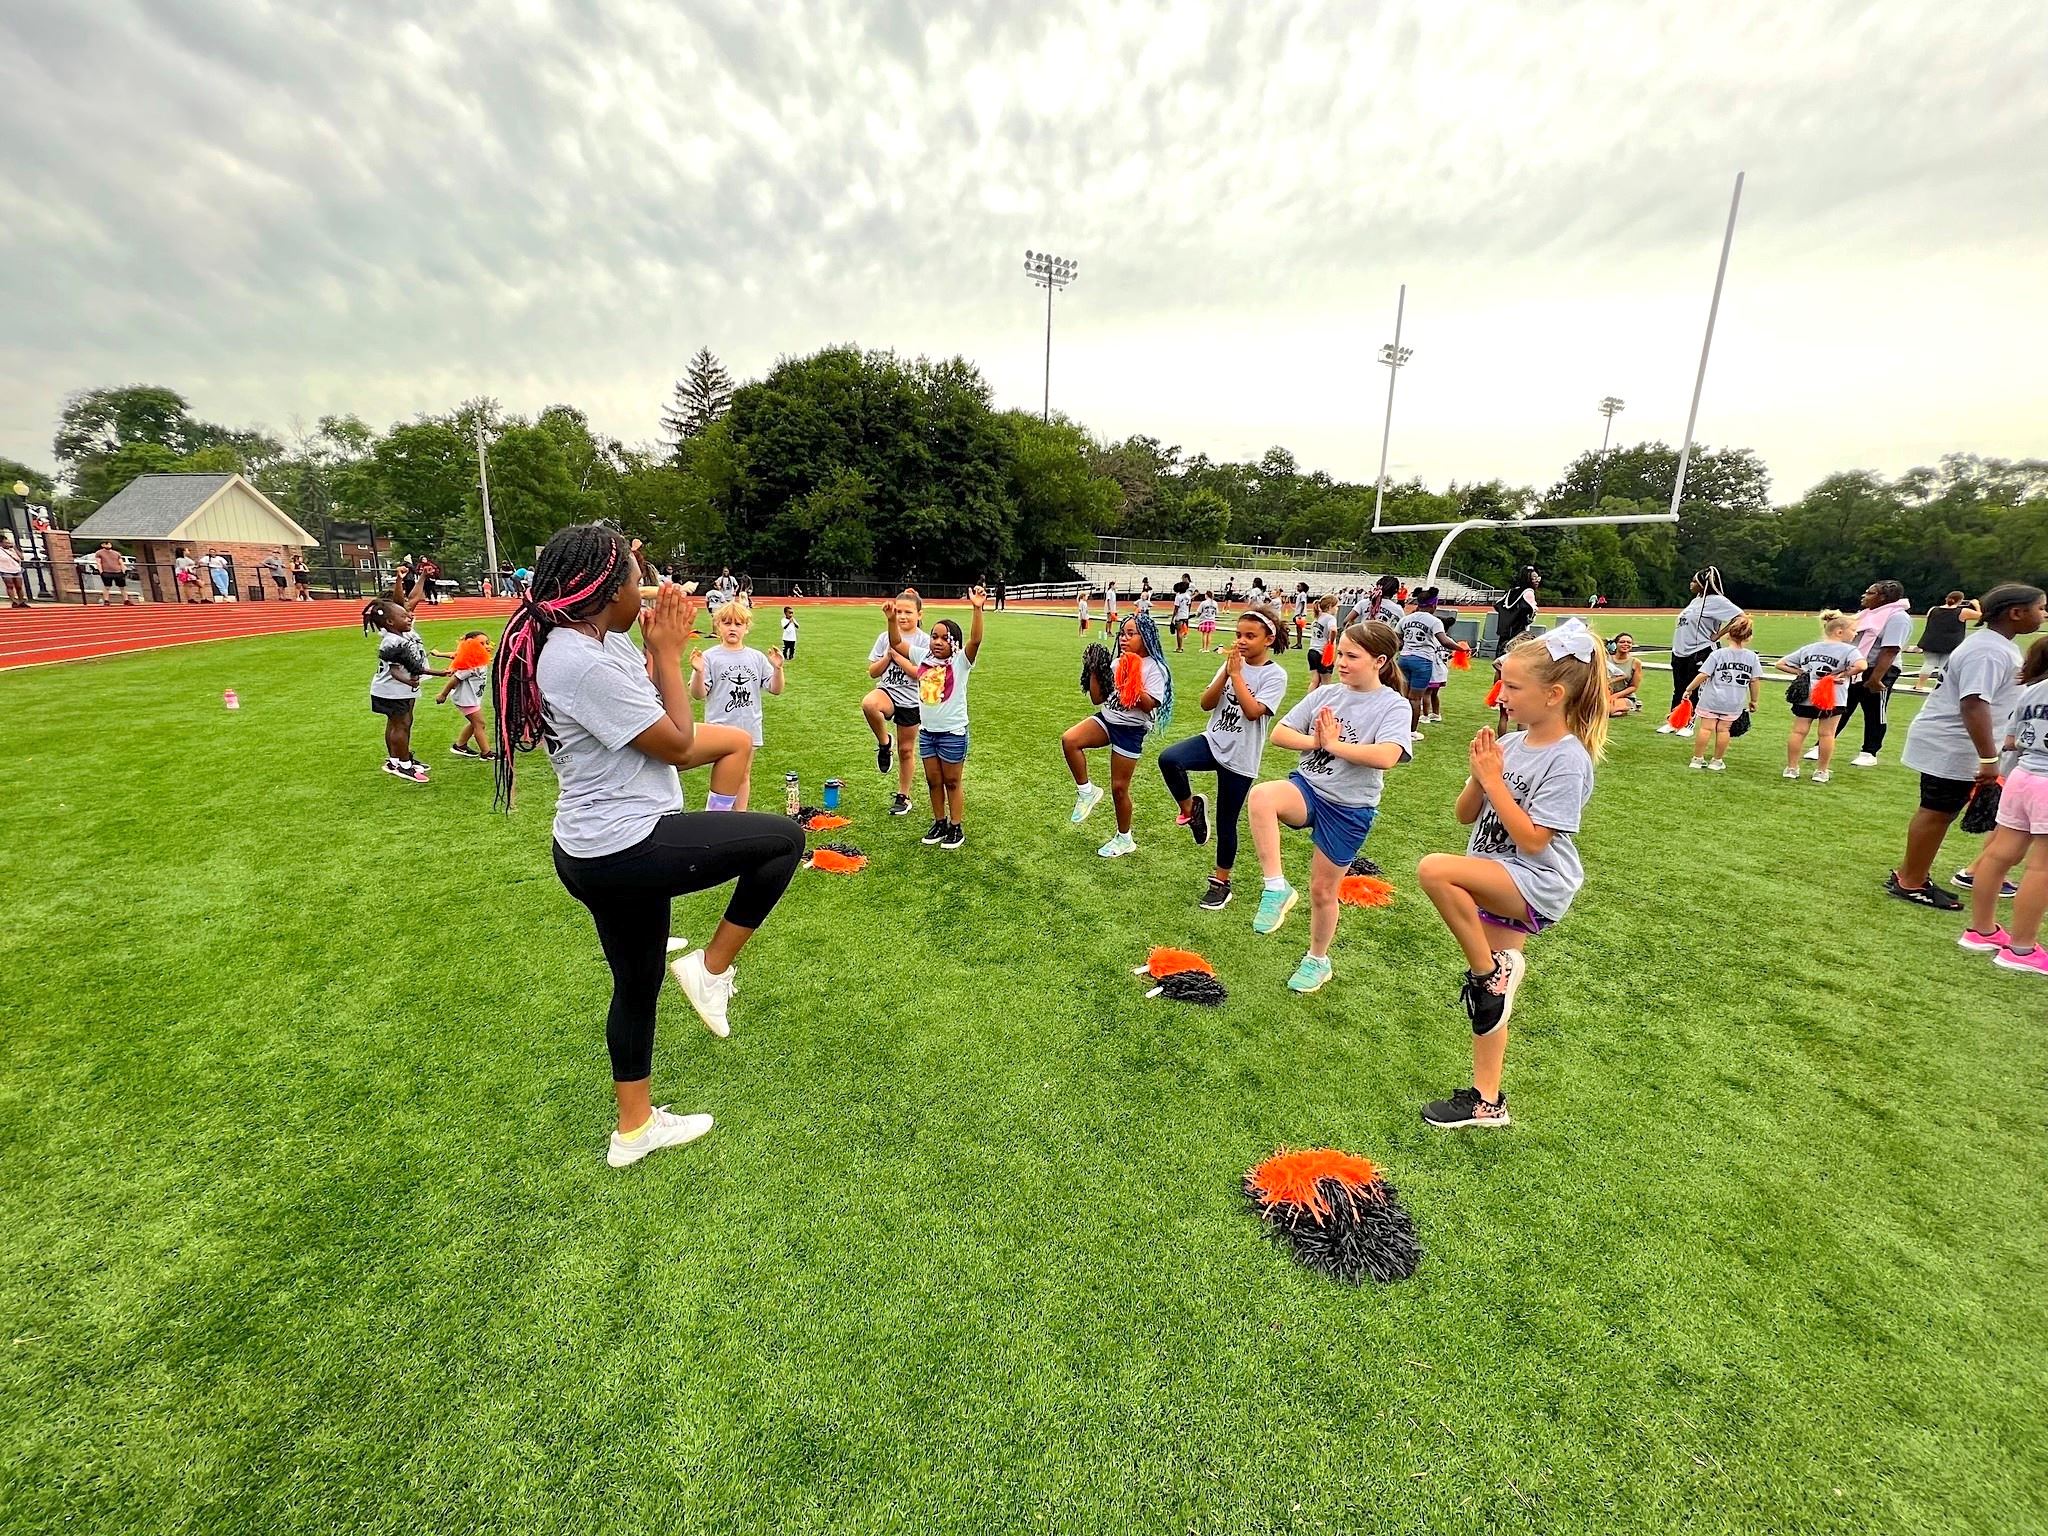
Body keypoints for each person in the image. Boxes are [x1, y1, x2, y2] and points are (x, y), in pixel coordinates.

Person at [490, 525, 804, 1166]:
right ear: (605, 591)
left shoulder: (587, 643)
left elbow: (664, 721)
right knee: (782, 841)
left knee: (636, 982)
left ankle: (633, 1130)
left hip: (596, 846)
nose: (651, 586)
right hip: (623, 847)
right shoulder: (580, 660)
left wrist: (656, 645)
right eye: (638, 577)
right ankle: (711, 970)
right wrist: (663, 655)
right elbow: (681, 744)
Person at [1414, 618, 1606, 1128]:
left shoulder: (1569, 758)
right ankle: (1487, 1100)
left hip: (1535, 879)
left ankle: (1486, 974)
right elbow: (1463, 815)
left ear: (1554, 694)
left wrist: (1495, 781)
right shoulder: (1514, 745)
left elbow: (1535, 839)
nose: (1502, 694)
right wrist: (1481, 776)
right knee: (1491, 1004)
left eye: (1514, 686)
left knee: (1434, 871)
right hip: (1495, 872)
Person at [1245, 620, 1411, 993]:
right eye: (1341, 654)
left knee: (1323, 891)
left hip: (1350, 808)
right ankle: (1276, 888)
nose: (1341, 662)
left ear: (1379, 661)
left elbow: (1387, 756)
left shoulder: (1393, 705)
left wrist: (1334, 745)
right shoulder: (1326, 694)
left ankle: (1317, 960)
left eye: (1353, 656)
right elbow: (1280, 734)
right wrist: (1316, 742)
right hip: (1309, 788)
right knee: (1262, 795)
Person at [1889, 583, 2048, 910]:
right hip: (1953, 741)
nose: (2044, 614)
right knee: (1937, 811)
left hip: (1959, 741)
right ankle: (1911, 881)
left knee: (1938, 810)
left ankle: (1911, 872)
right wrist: (1988, 757)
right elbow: (1974, 703)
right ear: (2016, 613)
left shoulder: (1995, 645)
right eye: (2040, 608)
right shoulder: (1989, 650)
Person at [1160, 606, 1292, 912]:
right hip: (1213, 740)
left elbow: (1252, 711)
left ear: (1268, 639)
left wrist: (1236, 675)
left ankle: (1221, 883)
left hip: (1242, 757)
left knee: (1226, 822)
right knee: (1170, 759)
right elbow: (1206, 703)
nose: (1242, 641)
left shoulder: (1275, 675)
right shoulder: (1233, 664)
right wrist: (1227, 674)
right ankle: (1191, 809)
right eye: (1238, 635)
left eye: (1250, 636)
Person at [1958, 637, 2048, 974]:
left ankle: (1982, 931)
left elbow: (2011, 740)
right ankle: (2022, 949)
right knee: (2041, 868)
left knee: (1999, 855)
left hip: (2022, 778)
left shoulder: (2033, 690)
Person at [1063, 612, 1173, 858]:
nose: (1124, 639)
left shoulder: (1155, 668)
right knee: (1070, 740)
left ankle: (1125, 839)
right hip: (1107, 719)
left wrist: (1131, 676)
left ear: (1146, 637)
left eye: (1131, 634)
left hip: (1130, 730)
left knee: (1119, 788)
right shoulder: (1117, 662)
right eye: (1122, 634)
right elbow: (1098, 699)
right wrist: (1094, 671)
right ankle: (1086, 792)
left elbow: (1147, 705)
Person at [691, 599, 783, 810]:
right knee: (723, 775)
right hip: (719, 727)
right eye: (726, 623)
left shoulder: (756, 657)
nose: (732, 628)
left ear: (746, 628)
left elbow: (775, 689)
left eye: (738, 624)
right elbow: (698, 694)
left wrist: (778, 669)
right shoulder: (710, 657)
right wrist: (698, 672)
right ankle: (717, 816)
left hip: (749, 725)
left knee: (744, 773)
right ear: (718, 626)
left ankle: (739, 816)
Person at [915, 587, 986, 850]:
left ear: (954, 642)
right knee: (933, 781)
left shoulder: (960, 662)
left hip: (952, 733)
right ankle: (939, 821)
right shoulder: (924, 659)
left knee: (952, 781)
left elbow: (976, 641)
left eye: (944, 638)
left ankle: (956, 827)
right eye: (934, 636)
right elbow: (898, 644)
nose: (937, 641)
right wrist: (891, 621)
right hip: (927, 733)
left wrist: (977, 608)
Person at [363, 590, 446, 781]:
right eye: (404, 616)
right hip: (392, 691)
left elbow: (412, 667)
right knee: (400, 725)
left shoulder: (400, 637)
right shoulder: (393, 641)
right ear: (391, 622)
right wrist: (412, 680)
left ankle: (399, 759)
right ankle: (403, 765)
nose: (409, 618)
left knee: (400, 723)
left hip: (398, 690)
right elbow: (395, 671)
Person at [862, 590, 930, 816]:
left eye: (908, 612)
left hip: (910, 700)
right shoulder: (885, 638)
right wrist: (887, 657)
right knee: (869, 704)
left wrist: (898, 656)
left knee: (906, 750)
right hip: (888, 692)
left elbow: (919, 674)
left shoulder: (924, 641)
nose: (902, 616)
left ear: (919, 615)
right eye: (898, 611)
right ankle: (884, 743)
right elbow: (872, 672)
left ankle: (904, 796)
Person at [1777, 610, 1865, 783]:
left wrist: (1803, 673)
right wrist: (1844, 674)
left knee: (1798, 731)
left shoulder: (1809, 648)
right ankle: (1821, 771)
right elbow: (1862, 665)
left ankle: (1791, 767)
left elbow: (1781, 663)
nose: (1855, 634)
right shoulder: (1849, 650)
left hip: (1807, 696)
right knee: (1827, 734)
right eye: (1853, 630)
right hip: (1833, 697)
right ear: (1840, 631)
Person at [1838, 579, 1913, 766]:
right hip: (1858, 666)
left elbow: (1890, 649)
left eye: (1870, 593)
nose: (1865, 596)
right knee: (1843, 705)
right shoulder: (1865, 614)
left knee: (1874, 710)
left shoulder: (1897, 617)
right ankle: (1824, 742)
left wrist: (1876, 678)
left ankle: (1869, 752)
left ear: (1883, 597)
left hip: (1880, 668)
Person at [1658, 567, 1743, 727]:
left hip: (1700, 651)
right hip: (1680, 652)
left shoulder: (1717, 601)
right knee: (1679, 688)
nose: (1691, 584)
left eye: (1694, 581)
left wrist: (1718, 635)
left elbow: (1740, 617)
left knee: (1695, 689)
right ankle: (1674, 721)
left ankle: (1689, 722)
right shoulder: (1695, 601)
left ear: (1704, 584)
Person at [1682, 617, 1762, 772]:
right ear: (1749, 637)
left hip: (1711, 699)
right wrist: (1754, 700)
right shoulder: (1752, 657)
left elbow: (1703, 674)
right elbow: (1754, 680)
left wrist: (1689, 689)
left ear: (1728, 635)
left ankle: (1697, 759)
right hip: (1734, 702)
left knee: (1705, 729)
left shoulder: (1718, 654)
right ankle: (1717, 760)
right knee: (1724, 730)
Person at [1396, 591, 1453, 740]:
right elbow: (1444, 641)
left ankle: (1398, 728)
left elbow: (1397, 639)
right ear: (1433, 605)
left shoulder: (1406, 619)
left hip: (1404, 658)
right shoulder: (1434, 621)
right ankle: (1411, 732)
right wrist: (1462, 648)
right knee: (1415, 699)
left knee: (1403, 696)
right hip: (1422, 661)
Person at [436, 630, 494, 757]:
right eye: (481, 644)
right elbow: (454, 680)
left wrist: (439, 654)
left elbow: (455, 654)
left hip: (472, 698)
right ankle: (486, 753)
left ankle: (460, 746)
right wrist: (443, 695)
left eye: (486, 643)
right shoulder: (470, 666)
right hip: (465, 699)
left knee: (475, 723)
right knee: (480, 724)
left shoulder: (480, 660)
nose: (485, 646)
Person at [1912, 592, 1976, 688]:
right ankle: (1941, 686)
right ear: (1960, 600)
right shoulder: (1962, 611)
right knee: (1944, 666)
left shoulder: (1933, 609)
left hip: (1931, 641)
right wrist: (1977, 605)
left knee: (1929, 663)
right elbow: (1981, 615)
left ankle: (1919, 685)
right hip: (1951, 643)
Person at [1491, 566, 1539, 657]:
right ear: (1528, 579)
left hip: (1505, 633)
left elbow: (1498, 605)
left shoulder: (1512, 591)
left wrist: (1508, 616)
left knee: (1501, 660)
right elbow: (1533, 610)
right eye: (1534, 578)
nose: (1537, 580)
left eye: (1538, 578)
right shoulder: (1528, 592)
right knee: (1516, 661)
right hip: (1518, 634)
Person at [1305, 595, 1341, 687]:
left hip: (1312, 651)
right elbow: (1333, 630)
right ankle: (1323, 701)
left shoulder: (1318, 617)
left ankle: (1310, 700)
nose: (1337, 609)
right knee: (1326, 683)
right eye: (1336, 606)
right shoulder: (1330, 618)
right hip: (1323, 653)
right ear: (1330, 607)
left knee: (1314, 681)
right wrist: (1331, 642)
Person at [1605, 633, 1642, 715]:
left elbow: (1633, 687)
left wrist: (1615, 696)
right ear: (1616, 644)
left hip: (1624, 696)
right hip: (1605, 694)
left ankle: (1629, 707)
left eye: (1629, 642)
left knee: (1606, 710)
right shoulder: (1606, 659)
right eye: (1622, 642)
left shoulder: (1635, 663)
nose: (1625, 644)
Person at [95, 542, 134, 607]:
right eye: (106, 543)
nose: (108, 545)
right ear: (102, 545)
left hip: (118, 572)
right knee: (107, 587)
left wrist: (123, 571)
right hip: (107, 572)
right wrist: (101, 572)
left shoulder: (116, 553)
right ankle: (106, 601)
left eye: (109, 543)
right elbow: (98, 563)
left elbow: (121, 563)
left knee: (122, 587)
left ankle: (126, 600)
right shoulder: (99, 553)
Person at [0, 534, 26, 608]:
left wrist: (15, 548)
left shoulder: (12, 550)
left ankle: (21, 601)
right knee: (10, 585)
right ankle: (14, 601)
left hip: (16, 569)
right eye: (6, 543)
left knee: (19, 586)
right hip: (5, 569)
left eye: (8, 542)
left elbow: (21, 557)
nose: (8, 544)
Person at [1169, 581, 1191, 652]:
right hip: (1186, 615)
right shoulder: (1188, 596)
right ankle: (1181, 647)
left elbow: (1176, 608)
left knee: (1178, 632)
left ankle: (1179, 648)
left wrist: (1173, 618)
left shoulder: (1178, 597)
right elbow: (1189, 606)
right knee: (1182, 631)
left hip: (1179, 615)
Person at [1289, 582, 1312, 647]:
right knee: (1298, 629)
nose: (1297, 588)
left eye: (1299, 586)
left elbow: (1303, 603)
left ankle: (1299, 643)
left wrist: (1300, 614)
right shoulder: (1301, 594)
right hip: (1298, 614)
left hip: (1300, 614)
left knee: (1299, 629)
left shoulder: (1302, 594)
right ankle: (1298, 643)